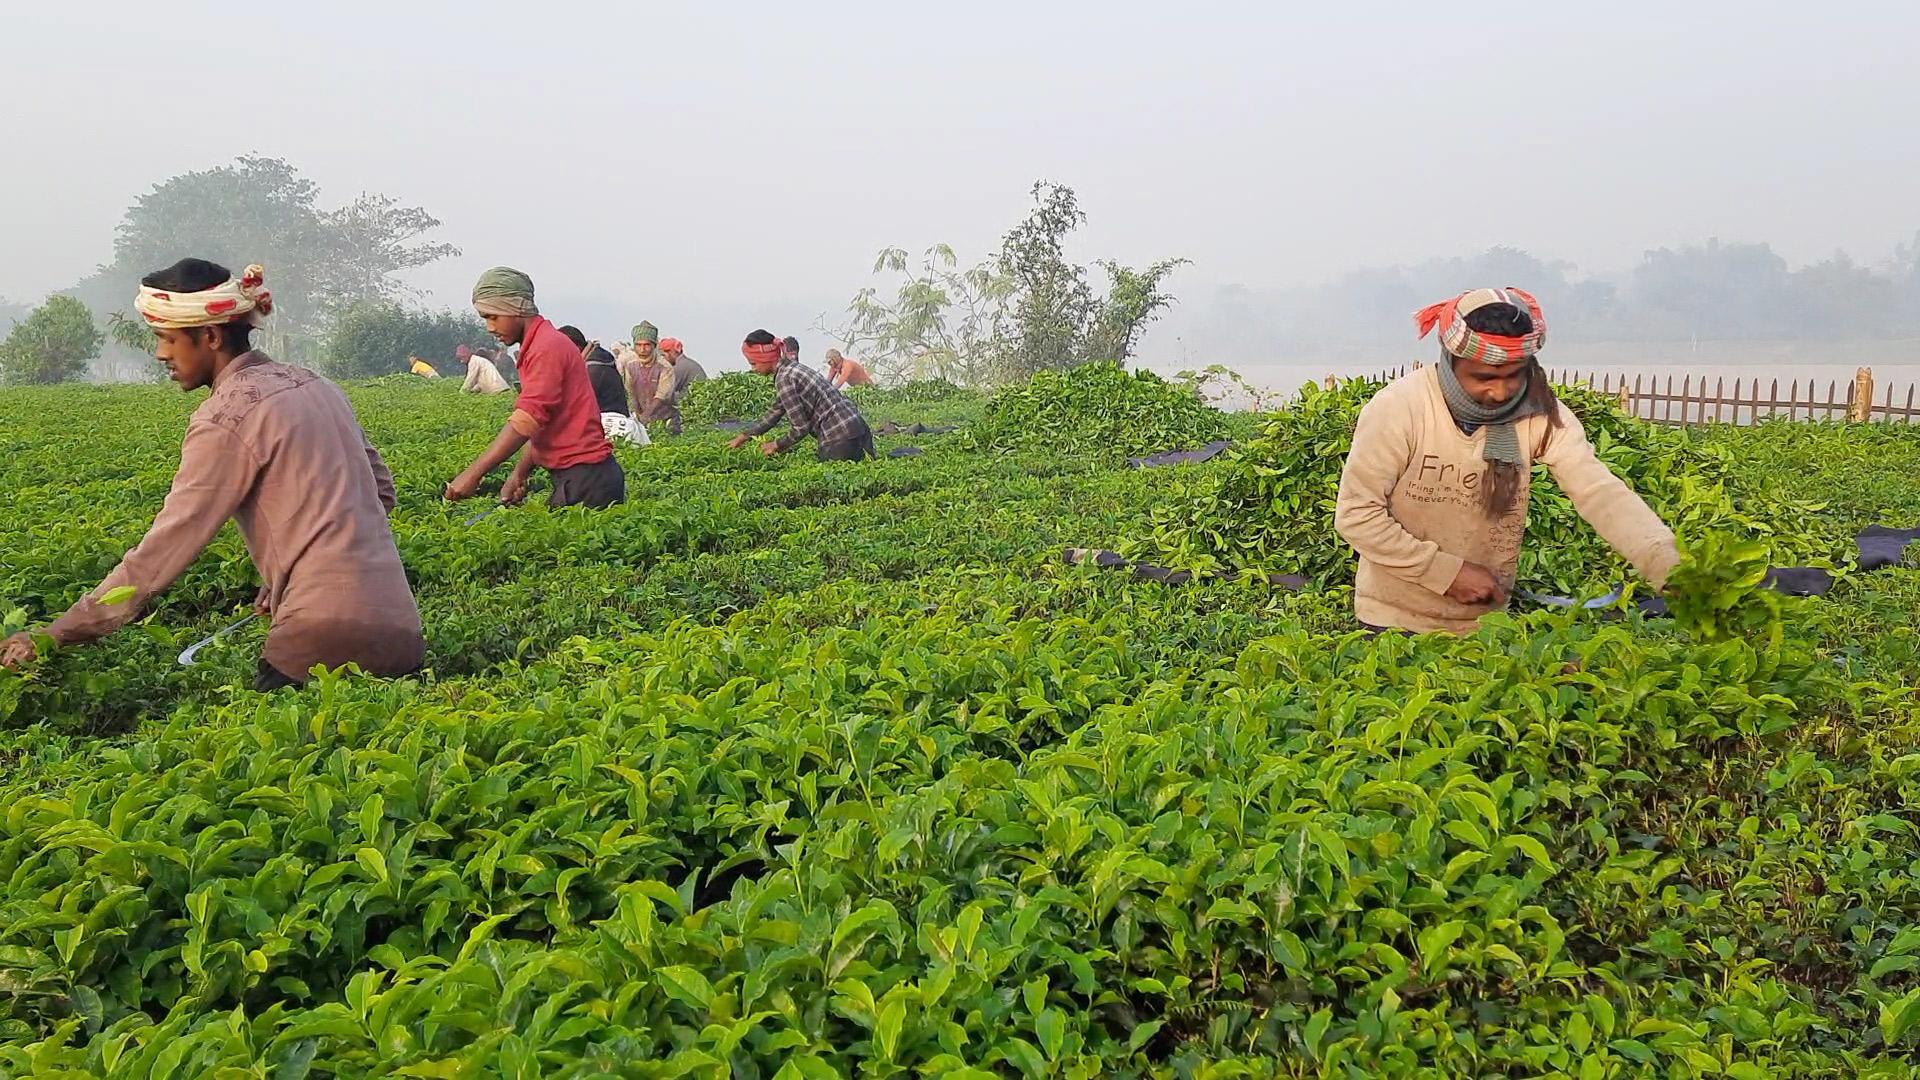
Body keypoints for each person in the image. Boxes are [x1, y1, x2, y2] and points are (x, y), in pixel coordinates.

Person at [0, 259, 426, 690]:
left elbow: (165, 549)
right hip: (403, 634)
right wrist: (289, 576)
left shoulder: (227, 415)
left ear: (209, 336)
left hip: (318, 636)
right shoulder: (318, 385)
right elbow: (381, 493)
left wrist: (57, 632)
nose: (161, 354)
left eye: (167, 339)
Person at [1333, 287, 1680, 635]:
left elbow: (1600, 492)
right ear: (1451, 363)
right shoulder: (1399, 408)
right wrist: (1445, 572)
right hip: (1394, 619)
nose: (1500, 392)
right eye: (1484, 378)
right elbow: (1357, 515)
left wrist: (1665, 563)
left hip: (1485, 622)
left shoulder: (1539, 413)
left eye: (1513, 375)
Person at [445, 267, 625, 510]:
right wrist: (519, 474)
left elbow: (528, 417)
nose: (489, 327)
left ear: (516, 308)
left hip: (587, 479)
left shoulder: (546, 347)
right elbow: (543, 421)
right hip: (581, 477)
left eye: (493, 316)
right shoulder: (537, 346)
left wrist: (474, 473)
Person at [729, 329, 876, 461]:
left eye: (753, 363)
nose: (753, 369)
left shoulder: (784, 378)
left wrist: (777, 445)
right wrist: (746, 435)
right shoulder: (793, 369)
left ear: (765, 358)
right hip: (860, 430)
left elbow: (800, 428)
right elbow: (777, 410)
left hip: (839, 438)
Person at [557, 324, 631, 416]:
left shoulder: (593, 369)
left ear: (575, 347)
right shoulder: (596, 359)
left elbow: (575, 403)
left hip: (610, 421)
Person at [650, 337, 707, 435]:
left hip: (692, 408)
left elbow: (665, 392)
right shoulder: (687, 363)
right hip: (696, 407)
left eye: (663, 355)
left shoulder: (679, 367)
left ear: (671, 352)